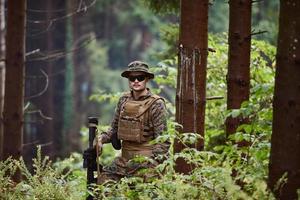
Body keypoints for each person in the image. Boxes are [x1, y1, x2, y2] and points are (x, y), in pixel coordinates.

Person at [96, 60, 169, 184]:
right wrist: (100, 140)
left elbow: (163, 142)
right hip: (125, 160)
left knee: (143, 192)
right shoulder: (123, 100)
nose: (136, 81)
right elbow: (114, 129)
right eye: (132, 78)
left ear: (146, 79)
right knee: (102, 185)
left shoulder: (156, 104)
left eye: (140, 78)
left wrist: (153, 163)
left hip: (147, 161)